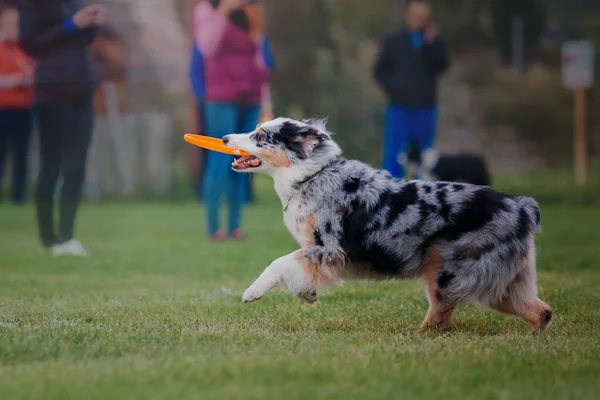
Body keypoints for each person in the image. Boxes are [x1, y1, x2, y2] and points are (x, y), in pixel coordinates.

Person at [18, 0, 105, 255]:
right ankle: (48, 239)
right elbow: (30, 43)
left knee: (76, 166)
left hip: (82, 86)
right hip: (52, 89)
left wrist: (91, 24)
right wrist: (70, 25)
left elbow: (83, 41)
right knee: (51, 165)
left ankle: (67, 237)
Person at [194, 0, 273, 241]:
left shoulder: (252, 10)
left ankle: (236, 227)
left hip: (250, 96)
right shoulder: (207, 10)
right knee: (219, 159)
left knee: (244, 158)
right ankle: (213, 228)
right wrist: (224, 11)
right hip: (220, 98)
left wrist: (265, 102)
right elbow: (207, 46)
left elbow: (261, 61)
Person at [373, 0, 449, 178]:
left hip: (426, 107)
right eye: (416, 16)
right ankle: (392, 195)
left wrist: (433, 44)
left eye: (423, 17)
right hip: (399, 107)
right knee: (394, 155)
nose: (419, 20)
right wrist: (395, 88)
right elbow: (379, 71)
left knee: (425, 156)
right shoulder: (393, 41)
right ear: (407, 15)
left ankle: (421, 197)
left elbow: (442, 65)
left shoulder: (434, 41)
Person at [0, 7, 34, 205]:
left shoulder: (27, 49)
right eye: (10, 24)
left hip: (24, 109)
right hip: (3, 110)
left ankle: (18, 197)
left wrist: (25, 79)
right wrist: (9, 81)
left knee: (22, 154)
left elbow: (34, 73)